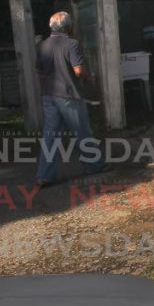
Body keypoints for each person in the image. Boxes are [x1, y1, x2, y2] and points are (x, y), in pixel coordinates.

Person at [34, 11, 106, 186]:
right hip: (69, 96)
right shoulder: (72, 44)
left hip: (49, 96)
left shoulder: (42, 45)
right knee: (82, 132)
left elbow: (39, 70)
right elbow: (79, 71)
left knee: (50, 136)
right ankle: (94, 166)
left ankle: (44, 176)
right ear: (69, 27)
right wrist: (90, 78)